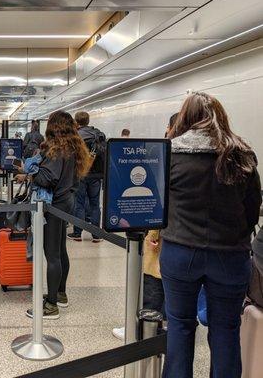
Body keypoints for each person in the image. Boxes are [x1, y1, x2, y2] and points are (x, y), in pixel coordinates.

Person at [160, 92, 261, 377]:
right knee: (226, 329)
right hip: (230, 255)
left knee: (179, 326)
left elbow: (160, 205)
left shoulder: (169, 152)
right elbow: (252, 209)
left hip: (180, 252)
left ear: (185, 118)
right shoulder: (241, 153)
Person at [113, 112, 179, 341]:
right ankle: (172, 327)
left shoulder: (167, 155)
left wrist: (153, 231)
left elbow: (161, 200)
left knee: (153, 281)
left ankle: (144, 328)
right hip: (191, 239)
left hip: (163, 233)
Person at [20, 111, 89, 319]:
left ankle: (51, 306)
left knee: (52, 254)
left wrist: (32, 171)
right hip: (66, 201)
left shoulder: (56, 149)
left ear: (54, 126)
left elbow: (48, 178)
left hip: (53, 205)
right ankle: (60, 294)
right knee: (60, 249)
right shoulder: (74, 147)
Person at [68, 111, 105, 243]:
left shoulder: (75, 135)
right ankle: (97, 235)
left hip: (80, 174)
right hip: (96, 175)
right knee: (95, 204)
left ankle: (77, 233)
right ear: (88, 121)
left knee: (79, 204)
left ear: (76, 122)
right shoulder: (98, 134)